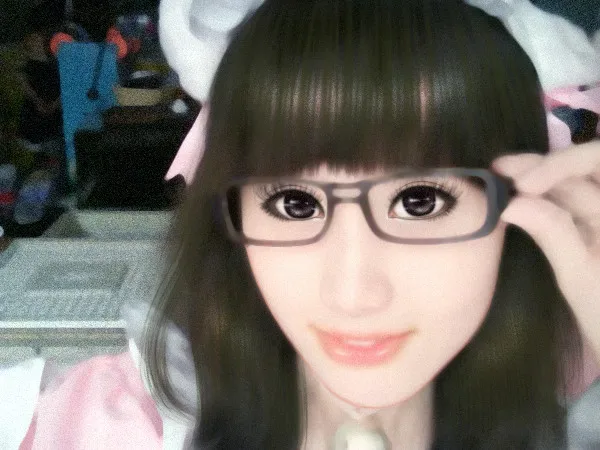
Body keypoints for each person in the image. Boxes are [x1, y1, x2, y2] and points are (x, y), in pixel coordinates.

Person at [2, 0, 600, 449]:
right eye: (295, 204)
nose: (353, 293)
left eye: (420, 202)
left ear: (526, 206)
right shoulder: (102, 426)